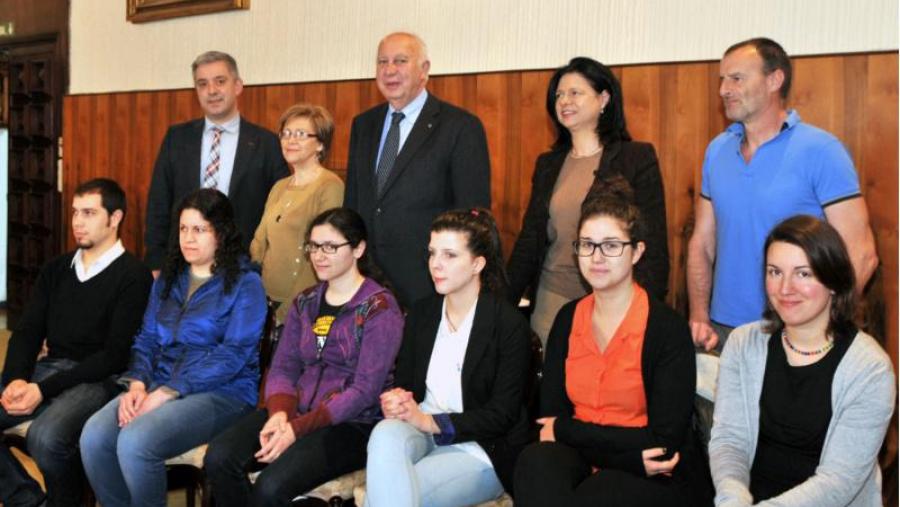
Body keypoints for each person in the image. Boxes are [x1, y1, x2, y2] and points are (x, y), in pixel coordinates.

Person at [514, 180, 711, 507]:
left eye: (611, 246)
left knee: (600, 493)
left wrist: (567, 431)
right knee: (535, 464)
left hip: (658, 474)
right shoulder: (567, 319)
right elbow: (548, 422)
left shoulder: (666, 329)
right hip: (614, 457)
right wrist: (623, 453)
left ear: (637, 251)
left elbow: (663, 443)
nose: (597, 257)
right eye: (587, 245)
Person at [687, 38, 877, 352]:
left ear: (775, 80)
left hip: (797, 334)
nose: (723, 89)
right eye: (722, 79)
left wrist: (823, 324)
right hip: (723, 333)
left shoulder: (821, 150)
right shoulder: (717, 150)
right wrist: (698, 314)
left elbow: (862, 252)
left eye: (737, 78)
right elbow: (702, 243)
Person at [204, 207, 403, 506]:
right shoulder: (306, 301)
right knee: (219, 457)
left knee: (271, 487)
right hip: (296, 410)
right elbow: (283, 368)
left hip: (352, 424)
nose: (319, 255)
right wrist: (280, 413)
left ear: (359, 249)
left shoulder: (380, 308)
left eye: (330, 247)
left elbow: (364, 391)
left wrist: (295, 429)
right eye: (313, 246)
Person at [80, 189, 266, 507]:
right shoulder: (169, 278)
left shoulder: (246, 285)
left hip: (225, 393)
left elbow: (233, 355)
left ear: (221, 233)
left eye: (199, 229)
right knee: (94, 437)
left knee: (136, 441)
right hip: (159, 382)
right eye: (183, 229)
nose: (188, 238)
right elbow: (147, 339)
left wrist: (168, 391)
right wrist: (137, 383)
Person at [709, 215, 895, 507]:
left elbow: (839, 481)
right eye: (774, 272)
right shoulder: (743, 344)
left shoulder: (870, 369)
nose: (785, 288)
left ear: (833, 281)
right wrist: (733, 499)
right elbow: (729, 441)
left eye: (803, 274)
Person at [0, 179, 152, 507]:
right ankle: (28, 500)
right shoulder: (56, 269)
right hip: (52, 368)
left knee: (47, 437)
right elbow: (27, 332)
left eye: (88, 212)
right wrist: (14, 379)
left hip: (101, 379)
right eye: (74, 212)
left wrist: (42, 390)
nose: (77, 222)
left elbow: (113, 356)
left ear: (115, 219)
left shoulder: (133, 276)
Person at [365, 209, 531, 507]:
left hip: (480, 447)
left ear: (477, 264)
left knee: (394, 495)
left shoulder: (507, 324)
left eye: (450, 255)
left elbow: (502, 415)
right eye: (432, 253)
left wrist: (430, 422)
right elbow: (404, 383)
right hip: (421, 428)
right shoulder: (422, 313)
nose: (436, 265)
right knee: (384, 433)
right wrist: (397, 399)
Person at [506, 56, 668, 344]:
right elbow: (530, 239)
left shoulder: (635, 158)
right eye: (559, 95)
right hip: (551, 299)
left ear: (603, 98)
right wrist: (501, 305)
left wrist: (648, 313)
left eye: (575, 93)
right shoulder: (548, 164)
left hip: (612, 301)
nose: (564, 101)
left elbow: (652, 244)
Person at [344, 32, 491, 308]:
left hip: (428, 281)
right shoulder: (363, 125)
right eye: (382, 62)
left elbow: (473, 215)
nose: (389, 70)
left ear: (424, 70)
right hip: (366, 280)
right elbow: (353, 202)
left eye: (400, 61)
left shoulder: (460, 127)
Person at [145, 50, 289, 273]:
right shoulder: (177, 138)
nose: (211, 91)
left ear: (238, 86)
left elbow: (280, 211)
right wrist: (156, 262)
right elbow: (158, 203)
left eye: (220, 81)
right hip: (182, 266)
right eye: (202, 84)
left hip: (244, 266)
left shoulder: (266, 143)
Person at [250, 103, 344, 324]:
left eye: (301, 134)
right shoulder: (279, 186)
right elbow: (259, 242)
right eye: (286, 134)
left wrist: (291, 310)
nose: (290, 140)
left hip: (300, 306)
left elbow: (322, 252)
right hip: (264, 301)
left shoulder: (330, 185)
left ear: (320, 143)